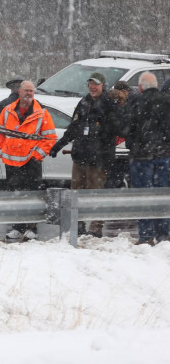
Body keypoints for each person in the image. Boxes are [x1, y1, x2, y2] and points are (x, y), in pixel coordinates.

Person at [48, 72, 121, 237]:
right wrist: (58, 145)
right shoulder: (84, 102)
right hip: (80, 156)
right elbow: (73, 127)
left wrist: (102, 128)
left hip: (99, 159)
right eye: (90, 84)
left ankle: (95, 229)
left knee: (96, 194)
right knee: (76, 193)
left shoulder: (109, 104)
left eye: (96, 84)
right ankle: (78, 225)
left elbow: (117, 129)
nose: (93, 87)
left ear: (103, 85)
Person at [0, 80, 57, 240]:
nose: (29, 93)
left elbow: (50, 137)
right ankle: (17, 227)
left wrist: (36, 155)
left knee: (32, 195)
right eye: (26, 91)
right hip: (12, 163)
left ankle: (31, 228)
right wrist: (1, 150)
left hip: (31, 163)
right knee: (15, 196)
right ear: (19, 92)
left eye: (31, 91)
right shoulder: (8, 110)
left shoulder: (42, 113)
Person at [121, 72, 170, 245]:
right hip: (163, 155)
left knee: (143, 195)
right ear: (156, 85)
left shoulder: (135, 102)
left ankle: (146, 235)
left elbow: (124, 129)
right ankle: (164, 233)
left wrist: (134, 143)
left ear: (141, 87)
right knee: (163, 193)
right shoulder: (167, 102)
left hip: (141, 157)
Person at [104, 81, 133, 189]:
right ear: (122, 92)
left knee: (111, 177)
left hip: (111, 146)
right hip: (121, 145)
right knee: (119, 176)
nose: (127, 93)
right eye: (126, 91)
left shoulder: (106, 103)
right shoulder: (124, 105)